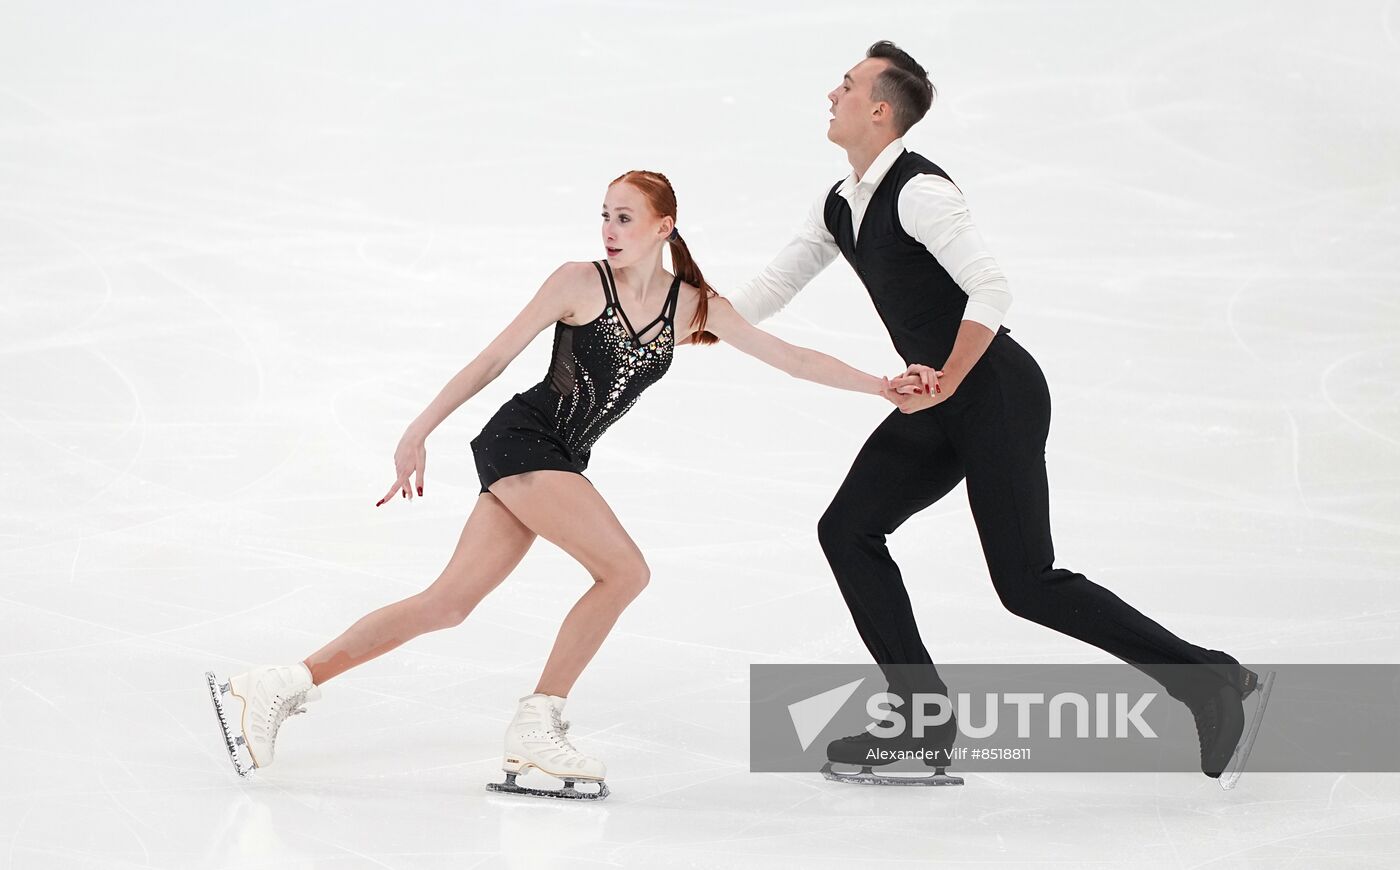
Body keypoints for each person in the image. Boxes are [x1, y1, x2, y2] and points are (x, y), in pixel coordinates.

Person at [204, 169, 918, 801]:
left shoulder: (688, 304)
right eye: (604, 214)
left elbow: (788, 357)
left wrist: (880, 386)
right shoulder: (579, 281)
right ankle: (538, 721)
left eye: (625, 217)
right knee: (625, 571)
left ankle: (280, 684)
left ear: (664, 227)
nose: (609, 229)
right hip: (524, 442)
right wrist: (417, 430)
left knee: (447, 604)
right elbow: (494, 359)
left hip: (559, 457)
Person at [726, 41, 1272, 788]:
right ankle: (923, 722)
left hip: (994, 393)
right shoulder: (840, 203)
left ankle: (1206, 678)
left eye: (846, 85)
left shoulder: (920, 193)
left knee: (1026, 583)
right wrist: (673, 309)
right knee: (847, 530)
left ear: (880, 110)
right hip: (943, 398)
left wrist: (949, 377)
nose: (832, 94)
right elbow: (765, 293)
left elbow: (991, 289)